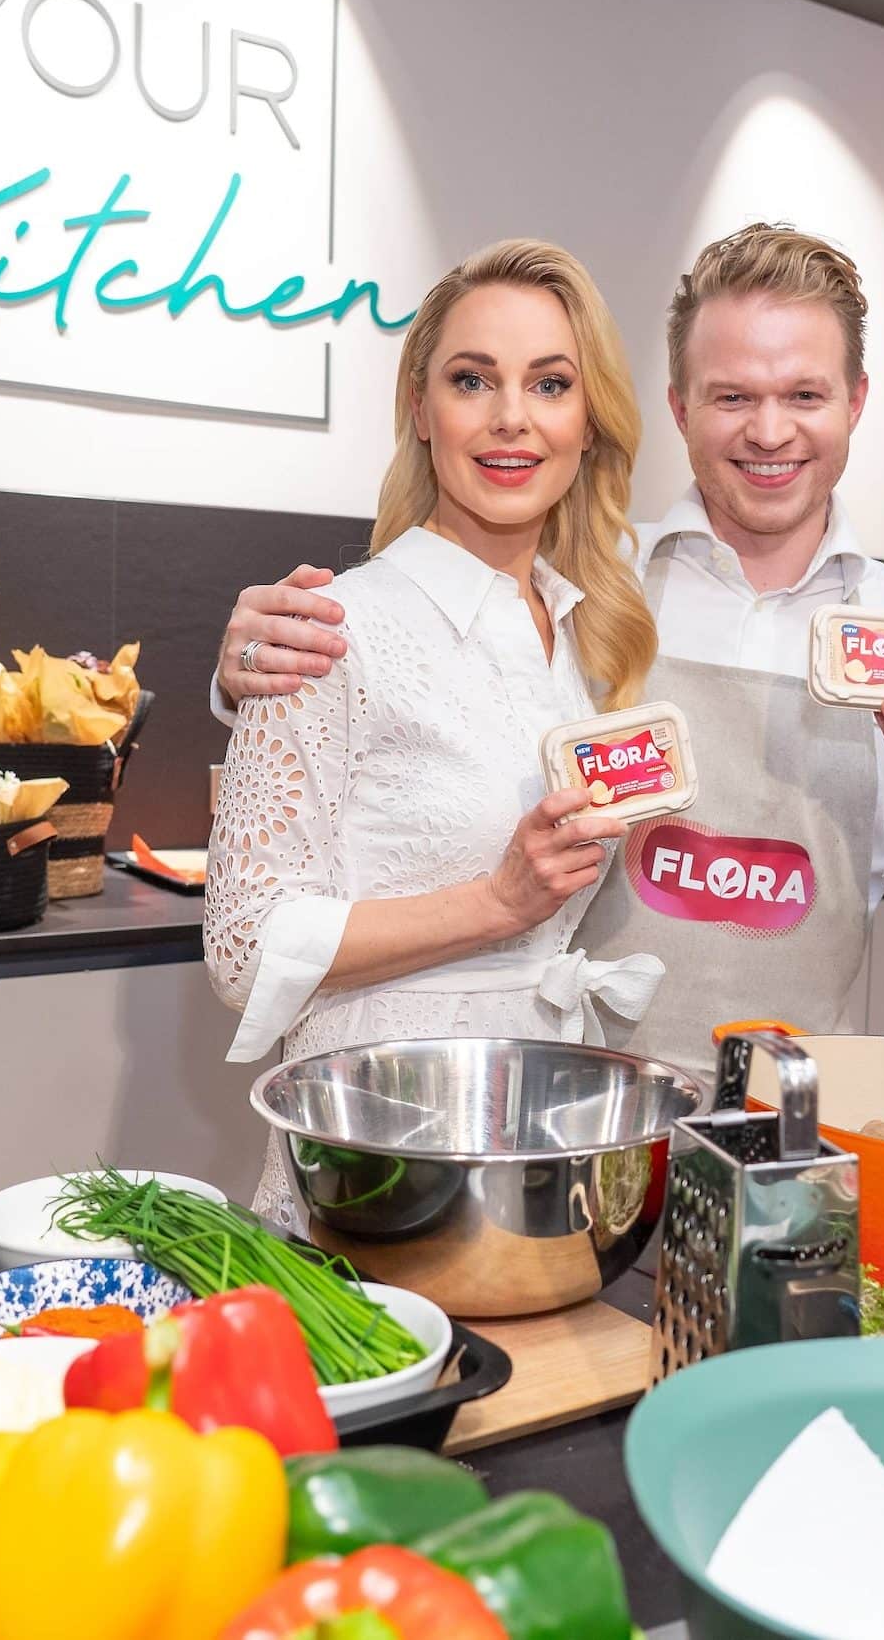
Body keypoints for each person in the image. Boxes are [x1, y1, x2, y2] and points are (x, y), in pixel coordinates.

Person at [214, 226, 884, 1070]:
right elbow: (419, 676)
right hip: (584, 1115)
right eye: (732, 397)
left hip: (786, 1137)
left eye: (805, 396)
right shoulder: (585, 582)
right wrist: (252, 677)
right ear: (679, 407)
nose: (769, 432)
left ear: (856, 401)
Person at [202, 239, 665, 1217]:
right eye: (471, 380)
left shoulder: (591, 644)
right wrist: (499, 901)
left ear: (588, 422)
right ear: (421, 409)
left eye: (549, 383)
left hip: (534, 1163)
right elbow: (245, 949)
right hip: (369, 1178)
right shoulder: (331, 629)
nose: (510, 418)